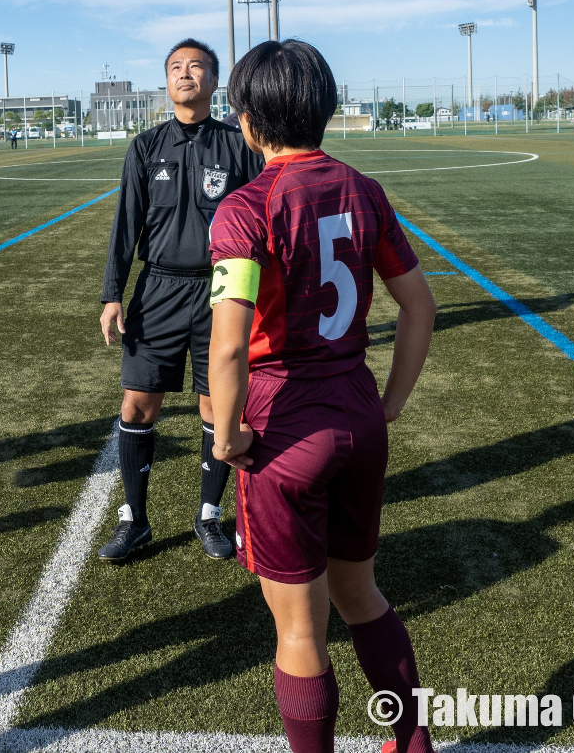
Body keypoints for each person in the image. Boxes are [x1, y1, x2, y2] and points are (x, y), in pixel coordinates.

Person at [206, 40, 438, 753]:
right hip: (357, 409)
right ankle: (411, 742)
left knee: (300, 630)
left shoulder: (245, 209)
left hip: (286, 423)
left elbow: (225, 346)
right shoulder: (364, 189)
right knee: (362, 594)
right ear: (328, 111)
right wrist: (391, 403)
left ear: (246, 121)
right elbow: (420, 308)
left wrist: (226, 438)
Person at [98, 38, 265, 562]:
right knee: (137, 403)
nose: (185, 74)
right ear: (166, 82)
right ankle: (135, 520)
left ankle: (209, 517)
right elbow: (126, 224)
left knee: (217, 404)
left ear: (215, 83)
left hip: (221, 289)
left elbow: (262, 217)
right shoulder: (146, 147)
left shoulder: (238, 145)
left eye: (196, 67)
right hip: (158, 288)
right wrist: (112, 295)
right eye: (176, 67)